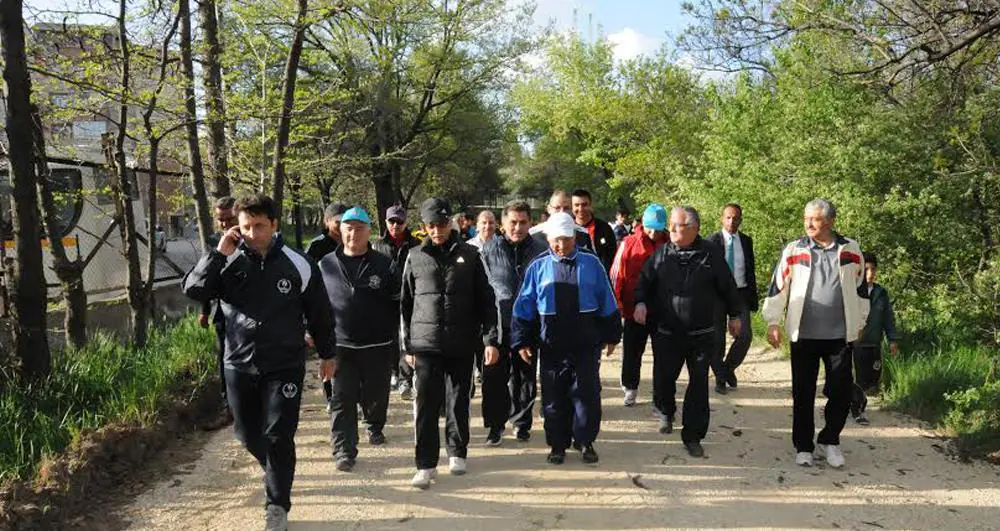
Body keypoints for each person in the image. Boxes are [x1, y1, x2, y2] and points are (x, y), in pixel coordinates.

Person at [182, 194, 335, 531]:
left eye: (259, 226)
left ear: (274, 224)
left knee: (279, 435)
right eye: (246, 226)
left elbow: (320, 313)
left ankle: (277, 505)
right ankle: (279, 470)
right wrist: (217, 254)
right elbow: (194, 290)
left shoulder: (298, 263)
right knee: (247, 434)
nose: (252, 233)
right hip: (239, 363)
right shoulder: (227, 258)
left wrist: (328, 354)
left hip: (285, 364)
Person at [401, 197, 500, 490]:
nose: (437, 230)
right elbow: (405, 304)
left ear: (451, 224)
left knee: (458, 400)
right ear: (424, 227)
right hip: (425, 345)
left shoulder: (470, 255)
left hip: (461, 342)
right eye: (431, 225)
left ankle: (457, 452)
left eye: (442, 224)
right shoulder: (414, 256)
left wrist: (490, 340)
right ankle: (425, 464)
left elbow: (487, 301)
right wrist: (407, 346)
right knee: (426, 404)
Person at [762, 199, 869, 469]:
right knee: (803, 392)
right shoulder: (794, 249)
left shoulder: (850, 249)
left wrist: (861, 321)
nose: (809, 223)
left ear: (830, 221)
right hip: (805, 334)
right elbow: (778, 287)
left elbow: (860, 289)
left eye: (815, 219)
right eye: (806, 218)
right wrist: (773, 321)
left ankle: (830, 440)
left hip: (839, 335)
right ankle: (803, 446)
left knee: (841, 391)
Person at [511, 212, 622, 465]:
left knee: (587, 394)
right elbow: (524, 306)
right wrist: (522, 340)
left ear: (575, 237)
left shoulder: (591, 263)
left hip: (585, 343)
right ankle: (557, 445)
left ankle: (585, 441)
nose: (561, 246)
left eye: (566, 240)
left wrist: (612, 334)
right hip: (552, 344)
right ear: (549, 239)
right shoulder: (538, 266)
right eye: (556, 240)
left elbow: (607, 299)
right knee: (553, 397)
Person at [633, 206, 743, 458]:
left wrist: (735, 315)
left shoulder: (711, 255)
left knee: (698, 385)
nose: (670, 229)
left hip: (702, 333)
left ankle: (693, 435)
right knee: (664, 378)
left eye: (677, 225)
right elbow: (644, 283)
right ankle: (665, 412)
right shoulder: (661, 254)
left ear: (694, 228)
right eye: (670, 224)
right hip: (667, 332)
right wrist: (640, 303)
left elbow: (728, 287)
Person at [318, 207, 399, 472]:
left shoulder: (384, 264)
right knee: (342, 398)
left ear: (369, 232)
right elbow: (316, 305)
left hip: (377, 344)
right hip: (341, 345)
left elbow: (398, 303)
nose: (353, 233)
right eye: (348, 228)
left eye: (359, 228)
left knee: (375, 395)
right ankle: (344, 449)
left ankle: (374, 424)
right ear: (340, 230)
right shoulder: (326, 263)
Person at [479, 201, 549, 444]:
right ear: (503, 223)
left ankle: (521, 423)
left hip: (528, 324)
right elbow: (482, 291)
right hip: (498, 324)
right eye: (512, 222)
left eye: (522, 223)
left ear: (530, 223)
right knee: (494, 378)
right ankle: (495, 426)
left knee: (524, 377)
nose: (517, 228)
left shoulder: (542, 249)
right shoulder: (489, 249)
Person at [609, 204, 668, 407]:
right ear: (643, 224)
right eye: (650, 227)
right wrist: (616, 304)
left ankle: (660, 392)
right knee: (633, 350)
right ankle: (630, 387)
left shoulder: (670, 244)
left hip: (662, 309)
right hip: (633, 308)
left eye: (658, 229)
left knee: (664, 353)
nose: (654, 233)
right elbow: (616, 275)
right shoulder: (629, 243)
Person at [706, 203, 759, 395]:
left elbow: (750, 269)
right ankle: (720, 377)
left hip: (740, 292)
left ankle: (727, 368)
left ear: (740, 220)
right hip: (718, 296)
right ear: (722, 218)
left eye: (735, 218)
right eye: (728, 217)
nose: (732, 221)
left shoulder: (746, 241)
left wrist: (753, 296)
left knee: (745, 335)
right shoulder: (711, 241)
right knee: (717, 339)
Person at [372, 205, 422, 399]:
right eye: (392, 221)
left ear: (406, 223)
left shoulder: (416, 244)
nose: (395, 225)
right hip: (385, 300)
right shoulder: (377, 245)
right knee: (389, 338)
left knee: (406, 338)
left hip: (410, 298)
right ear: (386, 222)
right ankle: (392, 372)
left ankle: (405, 378)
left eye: (399, 222)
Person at [305, 201, 347, 410]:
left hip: (347, 309)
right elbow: (306, 283)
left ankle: (350, 396)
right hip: (323, 308)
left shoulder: (353, 242)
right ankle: (331, 397)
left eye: (344, 221)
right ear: (327, 222)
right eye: (337, 222)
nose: (341, 227)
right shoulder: (316, 246)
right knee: (327, 353)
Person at [199, 196, 236, 429]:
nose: (224, 224)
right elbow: (206, 278)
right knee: (224, 360)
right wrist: (204, 310)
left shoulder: (252, 240)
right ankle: (228, 409)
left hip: (251, 313)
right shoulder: (214, 241)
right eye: (220, 219)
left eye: (228, 219)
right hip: (223, 312)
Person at [852, 252, 899, 425]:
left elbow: (888, 318)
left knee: (873, 377)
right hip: (856, 343)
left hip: (874, 342)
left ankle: (854, 402)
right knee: (859, 378)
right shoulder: (853, 290)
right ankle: (858, 410)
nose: (870, 273)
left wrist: (892, 339)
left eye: (873, 269)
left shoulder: (881, 293)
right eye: (866, 269)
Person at [571, 189, 617, 272]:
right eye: (576, 205)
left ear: (590, 205)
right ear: (572, 207)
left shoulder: (604, 228)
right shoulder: (568, 229)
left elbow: (613, 255)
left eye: (584, 204)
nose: (581, 209)